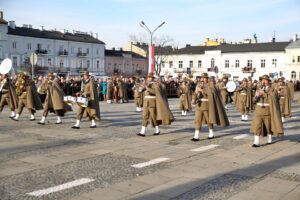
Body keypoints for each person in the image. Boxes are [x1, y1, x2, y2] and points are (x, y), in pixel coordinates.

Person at [192, 73, 229, 141]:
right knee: (197, 120)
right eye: (201, 78)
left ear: (207, 79)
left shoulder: (210, 85)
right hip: (199, 105)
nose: (202, 79)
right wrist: (196, 92)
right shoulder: (198, 85)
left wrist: (202, 91)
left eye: (204, 78)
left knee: (209, 120)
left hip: (207, 105)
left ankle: (211, 133)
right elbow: (194, 95)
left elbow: (211, 94)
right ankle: (196, 136)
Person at [250, 75, 284, 147]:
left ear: (268, 81)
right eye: (262, 80)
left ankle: (269, 138)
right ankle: (256, 142)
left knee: (268, 126)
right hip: (259, 109)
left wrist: (264, 93)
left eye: (265, 80)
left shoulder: (272, 89)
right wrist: (257, 95)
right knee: (257, 125)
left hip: (267, 109)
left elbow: (274, 98)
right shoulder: (258, 89)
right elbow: (254, 100)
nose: (264, 81)